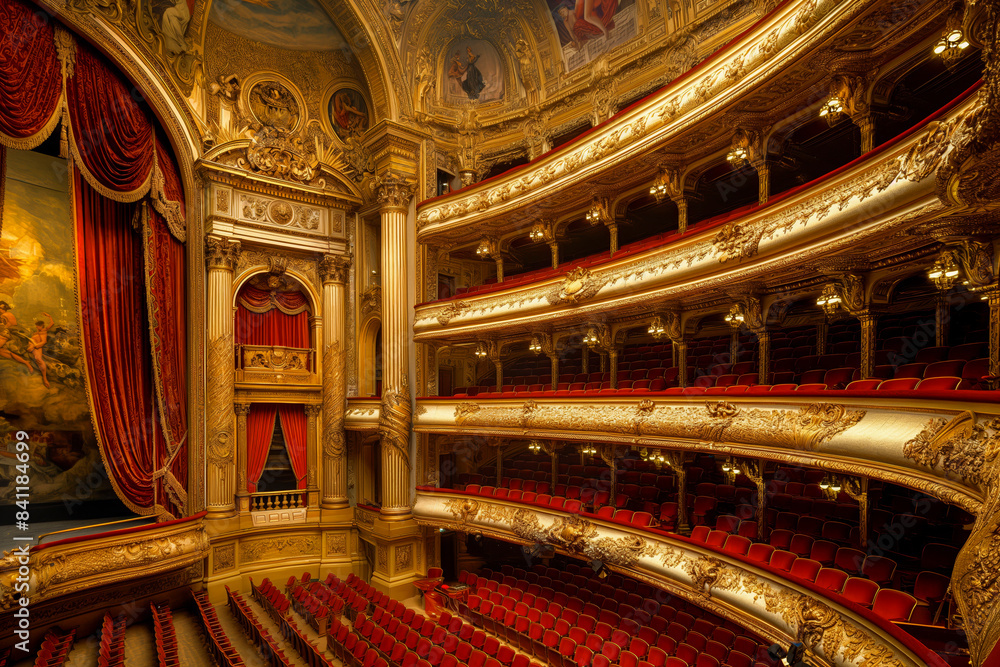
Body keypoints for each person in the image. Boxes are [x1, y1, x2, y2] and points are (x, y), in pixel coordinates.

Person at [0, 302, 33, 374]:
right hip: (16, 331)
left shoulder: (3, 316)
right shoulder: (9, 314)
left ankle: (24, 361)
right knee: (2, 350)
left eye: (0, 308)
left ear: (2, 309)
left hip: (11, 332)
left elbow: (6, 326)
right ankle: (23, 361)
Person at [27, 312, 54, 388]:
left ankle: (45, 379)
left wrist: (49, 316)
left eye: (37, 326)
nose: (36, 327)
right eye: (36, 326)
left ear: (41, 326)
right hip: (33, 345)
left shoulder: (44, 331)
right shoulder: (38, 331)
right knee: (35, 356)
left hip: (37, 346)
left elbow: (44, 341)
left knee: (38, 359)